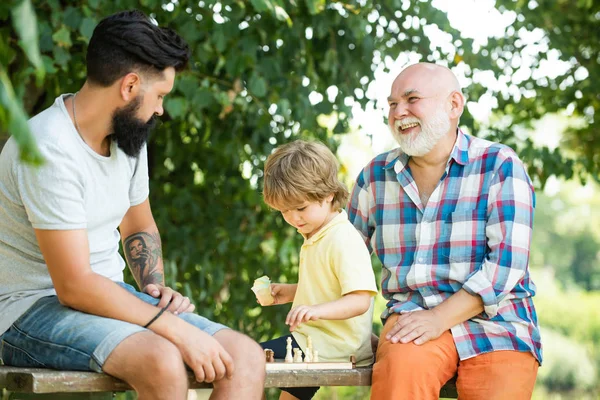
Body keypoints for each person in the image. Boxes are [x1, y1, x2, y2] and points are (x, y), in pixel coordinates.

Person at [0, 10, 265, 400]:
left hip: (106, 296)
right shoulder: (48, 147)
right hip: (28, 310)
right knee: (162, 359)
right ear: (129, 86)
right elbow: (73, 286)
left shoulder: (128, 139)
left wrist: (155, 288)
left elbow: (137, 224)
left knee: (244, 357)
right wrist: (172, 328)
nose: (160, 109)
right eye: (159, 96)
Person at [347, 63, 542, 400]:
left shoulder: (500, 165)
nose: (399, 112)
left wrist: (439, 318)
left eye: (411, 99)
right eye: (392, 104)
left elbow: (506, 267)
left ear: (454, 105)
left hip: (500, 324)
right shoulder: (374, 176)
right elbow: (346, 260)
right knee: (401, 375)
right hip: (411, 319)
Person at [258, 140, 378, 400]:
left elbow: (360, 299)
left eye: (300, 208)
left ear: (329, 194)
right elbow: (328, 287)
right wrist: (289, 293)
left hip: (333, 345)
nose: (293, 218)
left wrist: (315, 311)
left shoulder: (343, 238)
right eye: (284, 212)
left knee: (244, 361)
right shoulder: (317, 234)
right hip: (316, 341)